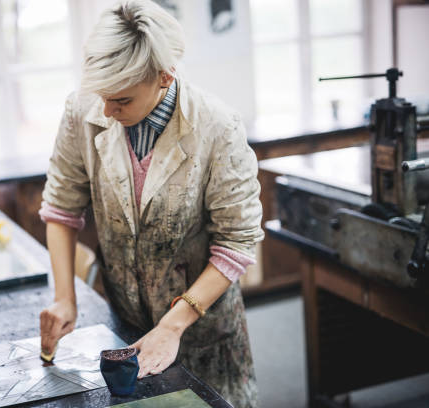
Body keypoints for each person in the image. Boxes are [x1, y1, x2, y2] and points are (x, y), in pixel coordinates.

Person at [38, 1, 264, 406]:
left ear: (164, 77)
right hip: (125, 320)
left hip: (203, 331)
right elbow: (61, 206)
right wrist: (64, 296)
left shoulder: (217, 127)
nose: (106, 110)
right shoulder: (83, 108)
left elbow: (237, 242)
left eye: (121, 100)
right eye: (102, 95)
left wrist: (173, 326)